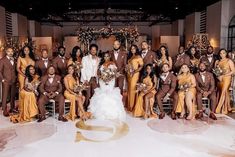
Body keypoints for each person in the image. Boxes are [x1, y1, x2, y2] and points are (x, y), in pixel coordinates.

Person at [88, 52, 126, 121]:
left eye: (107, 56)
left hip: (111, 81)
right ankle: (101, 112)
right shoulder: (101, 64)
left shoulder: (112, 63)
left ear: (109, 57)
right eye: (105, 56)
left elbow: (114, 73)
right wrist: (103, 78)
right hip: (102, 81)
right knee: (102, 93)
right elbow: (98, 73)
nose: (106, 58)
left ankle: (111, 112)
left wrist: (109, 79)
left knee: (109, 93)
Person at [215, 49, 235, 114]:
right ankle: (227, 107)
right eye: (220, 53)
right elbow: (216, 72)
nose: (222, 54)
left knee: (224, 90)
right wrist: (218, 77)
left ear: (226, 54)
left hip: (227, 78)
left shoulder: (229, 61)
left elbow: (233, 71)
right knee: (225, 91)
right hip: (220, 79)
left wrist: (224, 75)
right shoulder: (217, 61)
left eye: (223, 53)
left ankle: (219, 108)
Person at [81, 44, 100, 109]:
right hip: (87, 79)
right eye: (92, 49)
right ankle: (86, 108)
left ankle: (93, 108)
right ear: (90, 50)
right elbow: (82, 69)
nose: (93, 51)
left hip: (95, 78)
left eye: (95, 50)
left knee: (95, 94)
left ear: (96, 51)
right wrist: (85, 79)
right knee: (88, 94)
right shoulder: (85, 58)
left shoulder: (98, 59)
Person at [0, 47, 17, 116]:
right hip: (6, 81)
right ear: (6, 52)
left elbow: (14, 70)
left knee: (12, 95)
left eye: (12, 51)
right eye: (9, 51)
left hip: (13, 80)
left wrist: (16, 78)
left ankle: (12, 108)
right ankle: (4, 110)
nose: (10, 53)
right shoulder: (2, 60)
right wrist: (2, 79)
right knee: (5, 95)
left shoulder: (14, 59)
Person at [126, 45, 144, 111]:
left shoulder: (138, 57)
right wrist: (127, 69)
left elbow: (141, 66)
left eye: (134, 48)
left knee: (133, 88)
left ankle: (132, 106)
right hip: (129, 75)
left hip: (135, 74)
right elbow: (128, 66)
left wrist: (134, 71)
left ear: (136, 49)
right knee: (129, 88)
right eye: (131, 48)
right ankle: (129, 105)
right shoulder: (130, 57)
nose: (132, 50)